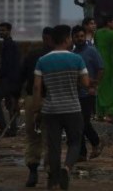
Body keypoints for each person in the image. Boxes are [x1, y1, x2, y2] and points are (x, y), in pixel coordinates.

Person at [33, 24, 89, 190]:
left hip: (51, 109)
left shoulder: (42, 61)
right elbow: (86, 83)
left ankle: (54, 178)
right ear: (67, 39)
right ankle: (67, 168)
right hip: (72, 108)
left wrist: (37, 109)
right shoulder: (77, 59)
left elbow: (37, 88)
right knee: (75, 142)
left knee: (54, 145)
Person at [20, 27, 55, 187]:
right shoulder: (59, 57)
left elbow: (20, 78)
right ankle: (49, 173)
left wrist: (14, 100)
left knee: (33, 137)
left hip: (32, 100)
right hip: (52, 100)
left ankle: (33, 171)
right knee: (50, 138)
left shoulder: (32, 55)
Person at [71, 26, 103, 161]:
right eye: (77, 36)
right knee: (77, 125)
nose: (80, 39)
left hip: (88, 93)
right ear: (72, 38)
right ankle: (81, 153)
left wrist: (94, 85)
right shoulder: (72, 54)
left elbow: (101, 69)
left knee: (83, 122)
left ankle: (96, 142)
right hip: (75, 94)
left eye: (82, 36)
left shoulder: (92, 51)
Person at [0, 22, 20, 137]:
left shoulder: (10, 45)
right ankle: (12, 130)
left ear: (9, 31)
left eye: (3, 30)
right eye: (0, 30)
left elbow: (10, 65)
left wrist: (4, 77)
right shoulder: (7, 44)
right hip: (10, 79)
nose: (1, 32)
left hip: (8, 79)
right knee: (9, 104)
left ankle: (4, 129)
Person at [93, 17, 113, 120]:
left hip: (99, 64)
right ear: (108, 23)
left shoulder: (97, 33)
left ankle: (99, 113)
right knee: (112, 90)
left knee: (101, 89)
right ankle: (110, 112)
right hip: (112, 65)